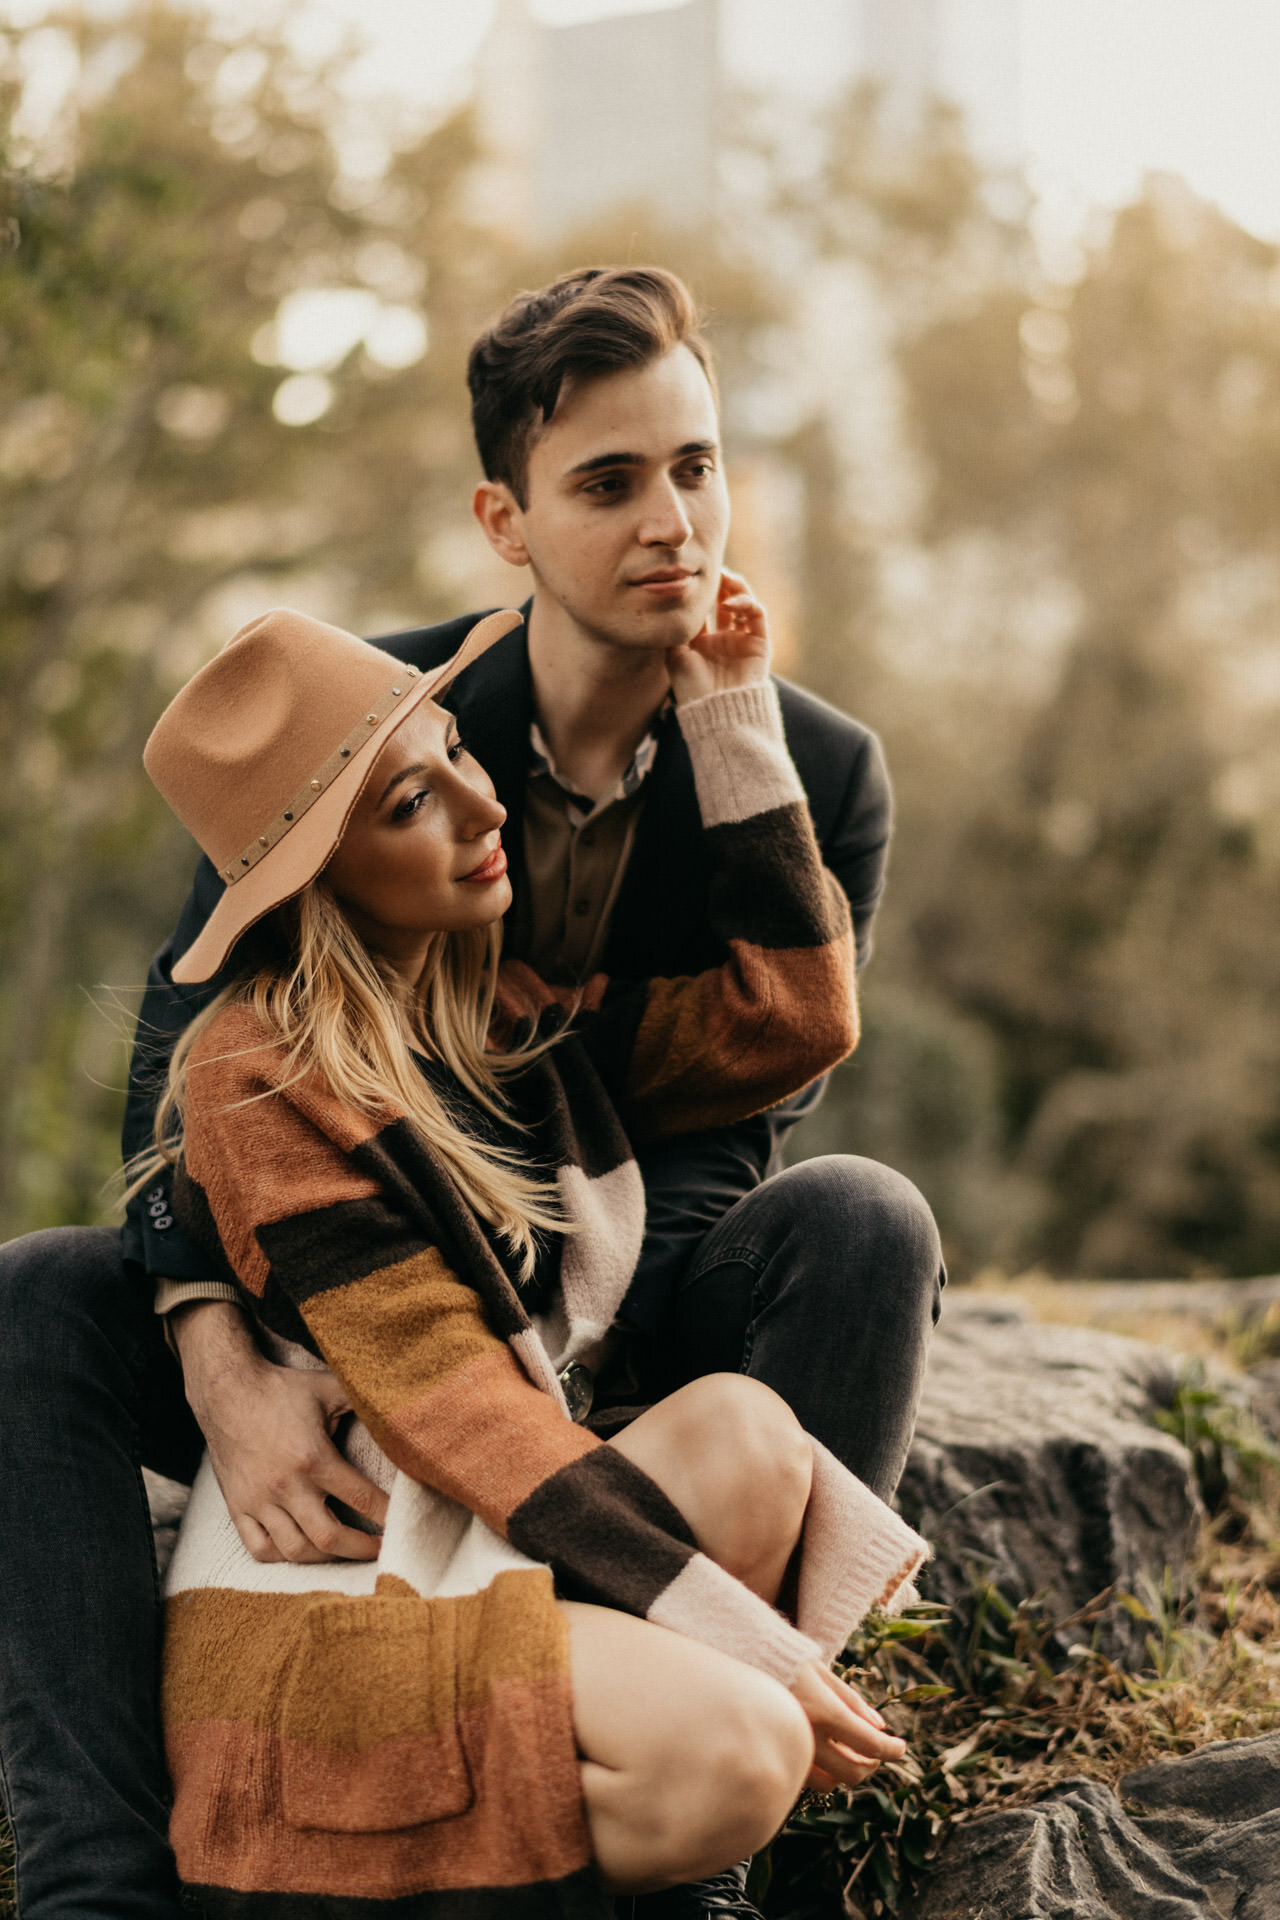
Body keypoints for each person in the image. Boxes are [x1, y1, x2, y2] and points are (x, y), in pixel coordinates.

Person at [0, 265, 942, 1920]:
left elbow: (771, 1067)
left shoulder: (813, 770)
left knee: (862, 1220)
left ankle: (725, 1804)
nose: (675, 523)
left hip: (608, 1273)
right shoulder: (385, 725)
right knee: (39, 1294)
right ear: (505, 522)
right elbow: (189, 1045)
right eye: (611, 482)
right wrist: (219, 1342)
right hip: (368, 1295)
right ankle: (100, 1875)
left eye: (698, 467)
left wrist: (731, 730)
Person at [140, 596, 926, 1914]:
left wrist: (729, 713)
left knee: (745, 1435)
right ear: (317, 878)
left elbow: (790, 1021)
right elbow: (465, 1413)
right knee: (745, 1752)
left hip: (466, 1549)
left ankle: (602, 1760)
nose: (479, 803)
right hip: (331, 1623)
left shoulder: (485, 1019)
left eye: (453, 748)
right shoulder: (263, 1076)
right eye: (409, 805)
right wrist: (756, 1648)